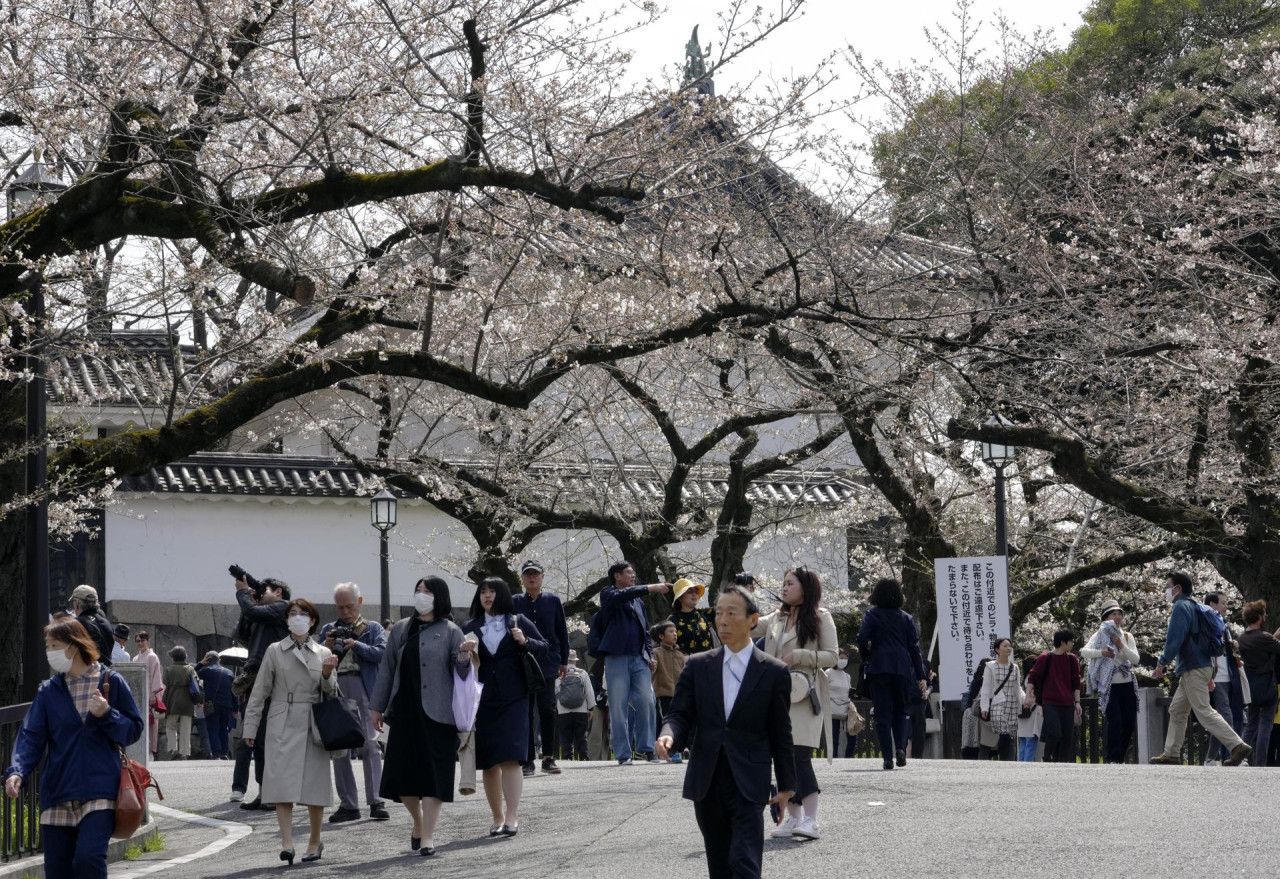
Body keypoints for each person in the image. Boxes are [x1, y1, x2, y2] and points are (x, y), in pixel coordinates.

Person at [655, 585, 796, 879]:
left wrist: (786, 787)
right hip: (707, 778)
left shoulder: (773, 672)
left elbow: (780, 731)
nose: (723, 621)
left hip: (749, 778)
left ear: (753, 619)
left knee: (743, 860)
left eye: (732, 613)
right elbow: (680, 714)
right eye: (719, 613)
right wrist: (669, 735)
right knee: (719, 864)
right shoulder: (697, 666)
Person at [4, 620, 143, 879]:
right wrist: (17, 771)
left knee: (88, 860)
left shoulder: (111, 682)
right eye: (48, 646)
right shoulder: (48, 691)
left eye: (54, 646)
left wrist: (107, 714)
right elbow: (31, 736)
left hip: (100, 790)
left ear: (73, 646)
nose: (50, 652)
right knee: (58, 871)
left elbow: (133, 729)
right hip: (58, 791)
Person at [370, 576, 472, 856]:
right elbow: (387, 670)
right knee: (400, 775)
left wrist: (464, 658)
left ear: (439, 597)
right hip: (403, 710)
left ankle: (427, 836)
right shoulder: (401, 629)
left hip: (439, 714)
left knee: (433, 776)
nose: (421, 595)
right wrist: (376, 707)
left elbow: (462, 675)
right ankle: (418, 822)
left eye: (427, 591)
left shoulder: (452, 631)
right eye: (418, 590)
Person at [242, 598, 338, 864]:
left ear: (313, 620)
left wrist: (329, 674)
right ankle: (286, 842)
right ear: (286, 621)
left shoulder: (322, 653)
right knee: (281, 783)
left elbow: (331, 692)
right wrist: (250, 727)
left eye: (303, 613)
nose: (297, 618)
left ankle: (315, 840)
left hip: (312, 721)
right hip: (282, 718)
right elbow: (259, 691)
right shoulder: (274, 650)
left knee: (314, 786)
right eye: (292, 614)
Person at [462, 577, 548, 836]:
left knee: (512, 757)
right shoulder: (470, 626)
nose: (487, 596)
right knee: (489, 762)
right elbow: (457, 666)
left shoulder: (518, 621)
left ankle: (512, 816)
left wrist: (525, 641)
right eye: (483, 592)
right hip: (483, 698)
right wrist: (463, 654)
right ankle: (497, 817)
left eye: (492, 592)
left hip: (515, 697)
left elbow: (545, 648)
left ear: (502, 595)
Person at [759, 566, 837, 841]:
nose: (784, 587)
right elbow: (748, 623)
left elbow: (832, 656)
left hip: (805, 696)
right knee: (782, 756)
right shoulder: (777, 617)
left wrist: (798, 656)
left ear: (806, 587)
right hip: (777, 697)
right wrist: (742, 597)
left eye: (790, 583)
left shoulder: (820, 616)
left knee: (799, 755)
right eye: (783, 583)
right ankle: (793, 818)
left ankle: (812, 820)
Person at [1150, 571, 1251, 765]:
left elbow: (1175, 640)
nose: (1165, 591)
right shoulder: (1196, 606)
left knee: (1204, 710)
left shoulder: (1180, 606)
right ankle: (1171, 753)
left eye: (1167, 587)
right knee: (1177, 710)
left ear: (1178, 589)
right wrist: (1210, 673)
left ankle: (1237, 745)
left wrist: (1161, 663)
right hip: (1199, 666)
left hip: (1192, 667)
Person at [319, 582, 390, 823]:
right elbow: (315, 658)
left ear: (359, 602)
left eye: (349, 606)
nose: (345, 612)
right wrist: (325, 647)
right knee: (340, 747)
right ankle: (348, 804)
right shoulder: (329, 629)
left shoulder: (373, 628)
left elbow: (383, 653)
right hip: (338, 688)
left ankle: (376, 800)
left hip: (365, 687)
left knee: (371, 745)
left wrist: (356, 644)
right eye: (340, 608)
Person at [596, 562, 670, 765]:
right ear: (617, 576)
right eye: (630, 572)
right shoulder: (608, 593)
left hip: (639, 658)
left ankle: (646, 749)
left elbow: (645, 632)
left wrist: (649, 655)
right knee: (618, 706)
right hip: (616, 658)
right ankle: (623, 753)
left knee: (647, 701)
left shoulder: (638, 602)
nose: (633, 575)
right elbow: (621, 596)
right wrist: (650, 588)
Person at [856, 577, 928, 771]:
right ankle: (901, 749)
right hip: (902, 669)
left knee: (882, 714)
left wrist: (867, 656)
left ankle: (887, 757)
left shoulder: (871, 615)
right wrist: (921, 675)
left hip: (879, 668)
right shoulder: (906, 618)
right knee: (900, 711)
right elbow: (914, 649)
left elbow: (862, 638)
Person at [231, 575, 290, 808]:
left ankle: (273, 793)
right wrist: (249, 602)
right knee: (255, 735)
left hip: (273, 678)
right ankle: (265, 792)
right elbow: (242, 634)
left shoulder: (282, 608)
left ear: (278, 592)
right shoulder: (263, 614)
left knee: (267, 736)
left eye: (264, 590)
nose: (260, 593)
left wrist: (244, 594)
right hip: (256, 677)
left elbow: (255, 614)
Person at [512, 559, 569, 776]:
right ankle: (527, 759)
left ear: (543, 576)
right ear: (522, 578)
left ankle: (548, 757)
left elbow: (561, 632)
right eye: (527, 574)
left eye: (535, 573)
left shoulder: (553, 600)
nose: (531, 577)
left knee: (547, 709)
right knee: (525, 711)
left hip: (548, 661)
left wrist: (563, 660)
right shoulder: (515, 601)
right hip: (522, 661)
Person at [1078, 599, 1140, 763]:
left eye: (1120, 614)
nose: (1118, 617)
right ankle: (1112, 758)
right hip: (1110, 685)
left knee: (1128, 722)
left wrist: (1121, 645)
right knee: (1115, 721)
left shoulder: (1127, 636)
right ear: (1105, 617)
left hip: (1127, 684)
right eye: (1114, 614)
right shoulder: (1098, 636)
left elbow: (1135, 659)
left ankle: (1120, 757)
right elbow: (1084, 652)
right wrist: (1102, 652)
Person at [1024, 629, 1082, 763]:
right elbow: (1033, 677)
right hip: (1050, 703)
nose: (1073, 643)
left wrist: (1077, 702)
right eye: (1071, 641)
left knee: (1067, 736)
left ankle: (1061, 762)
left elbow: (1076, 682)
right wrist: (1028, 696)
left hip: (1068, 703)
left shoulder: (1072, 659)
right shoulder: (1045, 657)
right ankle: (1047, 757)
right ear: (1062, 642)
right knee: (1054, 732)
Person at [1203, 592, 1245, 765]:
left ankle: (1210, 758)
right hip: (1216, 677)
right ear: (1212, 605)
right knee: (1226, 717)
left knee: (1227, 718)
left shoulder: (1225, 625)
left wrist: (1235, 644)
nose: (1226, 606)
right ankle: (1235, 755)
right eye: (1223, 603)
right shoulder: (1205, 624)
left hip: (1229, 675)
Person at [1238, 600, 1280, 765]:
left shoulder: (1241, 638)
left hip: (1251, 687)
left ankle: (1239, 758)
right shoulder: (1264, 638)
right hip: (1268, 686)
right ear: (1260, 618)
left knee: (1251, 725)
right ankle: (1260, 763)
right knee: (1266, 725)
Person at [979, 637, 1023, 761]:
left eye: (1010, 646)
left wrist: (1025, 700)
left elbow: (1017, 687)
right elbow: (986, 688)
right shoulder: (990, 666)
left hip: (1012, 704)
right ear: (997, 649)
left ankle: (1006, 762)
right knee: (1003, 733)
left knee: (1009, 736)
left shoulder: (1014, 667)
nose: (1008, 648)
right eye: (1005, 646)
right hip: (998, 703)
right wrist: (984, 707)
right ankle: (1003, 761)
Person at [652, 620, 687, 755]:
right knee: (666, 722)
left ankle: (680, 748)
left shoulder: (680, 655)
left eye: (675, 631)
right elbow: (652, 673)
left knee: (680, 721)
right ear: (661, 636)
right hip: (663, 695)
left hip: (679, 695)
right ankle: (669, 750)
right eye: (670, 631)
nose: (675, 634)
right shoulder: (656, 653)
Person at [161, 645, 199, 760]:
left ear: (173, 658)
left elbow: (165, 681)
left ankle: (173, 749)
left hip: (172, 700)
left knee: (171, 726)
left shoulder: (168, 669)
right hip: (187, 701)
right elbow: (197, 682)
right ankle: (184, 752)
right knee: (186, 728)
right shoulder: (190, 669)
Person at [555, 650, 595, 761]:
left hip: (563, 710)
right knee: (581, 735)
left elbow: (555, 689)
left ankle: (567, 756)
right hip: (581, 709)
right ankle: (583, 757)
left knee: (565, 735)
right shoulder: (583, 673)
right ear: (575, 661)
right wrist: (590, 708)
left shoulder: (560, 673)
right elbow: (589, 692)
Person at [132, 631, 165, 760]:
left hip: (150, 694)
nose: (140, 643)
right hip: (138, 695)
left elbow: (156, 676)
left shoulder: (152, 657)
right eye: (138, 641)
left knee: (151, 724)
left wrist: (153, 694)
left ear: (148, 641)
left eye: (143, 640)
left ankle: (151, 751)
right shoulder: (135, 658)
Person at [198, 651, 236, 759]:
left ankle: (216, 753)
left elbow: (192, 674)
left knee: (212, 728)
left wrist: (201, 663)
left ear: (208, 660)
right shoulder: (229, 673)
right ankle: (224, 752)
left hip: (211, 704)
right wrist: (236, 708)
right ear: (219, 660)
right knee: (224, 728)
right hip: (226, 705)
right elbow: (234, 692)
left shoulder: (206, 671)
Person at [70, 585, 115, 667]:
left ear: (77, 605)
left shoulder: (76, 624)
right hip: (106, 674)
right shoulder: (107, 623)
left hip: (87, 675)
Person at [961, 657, 994, 759]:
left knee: (972, 741)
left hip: (971, 712)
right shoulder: (985, 680)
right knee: (982, 740)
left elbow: (971, 698)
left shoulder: (977, 680)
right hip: (980, 713)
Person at [671, 579, 715, 654]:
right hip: (688, 664)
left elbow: (727, 610)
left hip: (710, 662)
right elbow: (670, 646)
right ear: (680, 598)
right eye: (689, 591)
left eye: (696, 591)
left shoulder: (705, 614)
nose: (694, 594)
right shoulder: (672, 620)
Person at [826, 648, 853, 758]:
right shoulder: (828, 673)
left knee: (852, 737)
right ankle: (834, 759)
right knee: (834, 738)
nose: (843, 661)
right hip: (832, 709)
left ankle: (848, 759)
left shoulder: (847, 676)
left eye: (846, 659)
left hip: (846, 709)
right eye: (841, 658)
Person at [1017, 655, 1042, 762]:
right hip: (1033, 712)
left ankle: (1020, 764)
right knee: (1031, 742)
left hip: (1023, 712)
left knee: (1023, 742)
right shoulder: (1035, 678)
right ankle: (1027, 765)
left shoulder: (1025, 678)